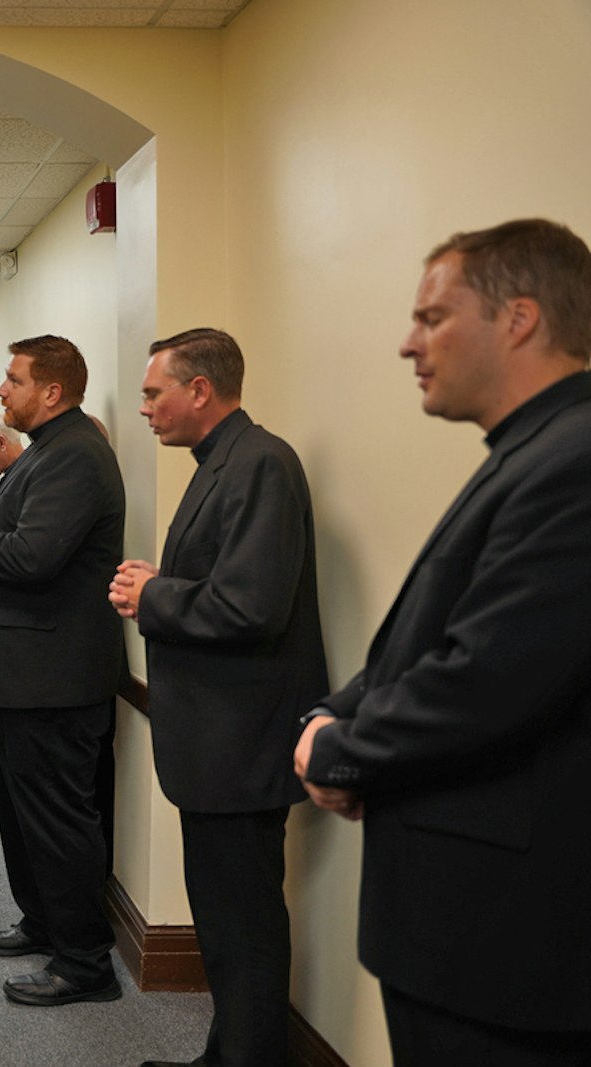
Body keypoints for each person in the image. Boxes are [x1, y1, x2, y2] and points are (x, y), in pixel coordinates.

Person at [293, 219, 591, 1066]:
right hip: (466, 924)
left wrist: (342, 751)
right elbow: (431, 637)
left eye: (431, 318)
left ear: (519, 319)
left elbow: (490, 679)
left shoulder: (573, 460)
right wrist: (333, 712)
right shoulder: (527, 450)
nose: (407, 343)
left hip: (505, 937)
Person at [108, 329, 327, 1067]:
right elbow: (223, 584)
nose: (144, 408)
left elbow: (251, 607)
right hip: (216, 740)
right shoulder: (221, 462)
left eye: (151, 392)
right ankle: (225, 1054)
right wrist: (159, 586)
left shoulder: (260, 462)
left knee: (246, 925)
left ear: (199, 389)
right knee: (227, 924)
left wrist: (154, 594)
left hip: (243, 740)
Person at [0, 335, 125, 1008]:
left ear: (51, 391)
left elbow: (36, 557)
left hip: (52, 676)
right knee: (20, 807)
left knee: (55, 815)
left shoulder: (76, 455)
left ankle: (84, 961)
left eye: (13, 380)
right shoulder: (50, 452)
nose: (0, 391)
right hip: (23, 672)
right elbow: (25, 537)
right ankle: (44, 921)